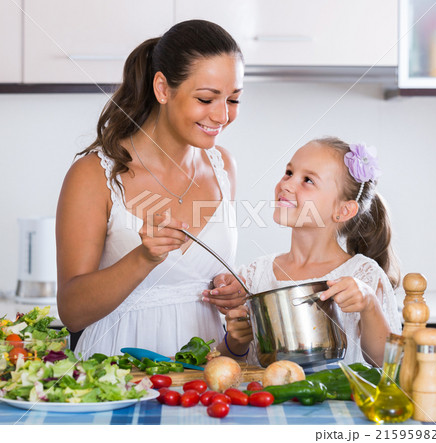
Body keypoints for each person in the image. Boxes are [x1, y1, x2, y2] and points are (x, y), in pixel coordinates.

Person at [56, 20, 247, 358]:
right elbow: (72, 312)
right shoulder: (93, 175)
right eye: (206, 99)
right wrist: (143, 257)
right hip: (116, 373)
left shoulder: (223, 166)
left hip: (203, 376)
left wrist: (231, 292)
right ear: (162, 88)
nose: (222, 116)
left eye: (233, 100)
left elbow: (207, 280)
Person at [203, 137, 402, 367]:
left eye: (308, 180)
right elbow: (228, 366)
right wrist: (235, 341)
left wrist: (369, 304)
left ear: (344, 209)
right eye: (289, 172)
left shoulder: (363, 275)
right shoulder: (255, 274)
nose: (286, 185)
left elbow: (388, 364)